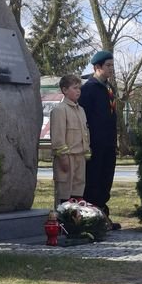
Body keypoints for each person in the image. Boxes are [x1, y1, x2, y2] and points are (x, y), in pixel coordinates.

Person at [79, 50, 121, 229]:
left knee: (106, 180)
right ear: (97, 67)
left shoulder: (107, 88)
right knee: (94, 181)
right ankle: (92, 218)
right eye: (108, 66)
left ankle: (103, 215)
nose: (111, 69)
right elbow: (84, 117)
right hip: (95, 144)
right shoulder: (88, 89)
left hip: (108, 143)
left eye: (112, 65)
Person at [50, 74, 90, 205]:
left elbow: (85, 133)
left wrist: (86, 152)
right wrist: (63, 158)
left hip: (80, 157)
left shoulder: (81, 110)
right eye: (74, 88)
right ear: (65, 90)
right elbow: (58, 138)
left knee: (78, 193)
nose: (78, 91)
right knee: (64, 193)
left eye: (79, 88)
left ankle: (76, 223)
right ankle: (62, 223)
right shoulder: (60, 110)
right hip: (67, 159)